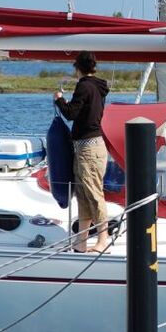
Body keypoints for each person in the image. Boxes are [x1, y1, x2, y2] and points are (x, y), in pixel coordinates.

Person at [54, 51, 111, 253]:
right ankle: (81, 242)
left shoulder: (84, 86)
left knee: (94, 194)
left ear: (77, 67)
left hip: (89, 149)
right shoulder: (98, 87)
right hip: (89, 147)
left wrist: (59, 100)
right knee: (83, 195)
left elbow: (71, 114)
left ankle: (104, 239)